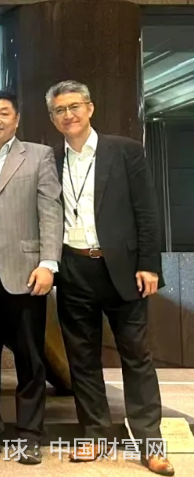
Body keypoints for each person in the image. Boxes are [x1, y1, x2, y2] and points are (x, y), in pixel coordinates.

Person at [47, 80, 173, 476]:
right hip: (74, 268)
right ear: (52, 118)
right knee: (82, 359)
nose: (68, 115)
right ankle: (94, 434)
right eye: (59, 110)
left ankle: (151, 444)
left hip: (123, 269)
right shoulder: (50, 159)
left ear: (90, 108)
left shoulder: (125, 151)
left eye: (74, 106)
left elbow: (146, 211)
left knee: (136, 357)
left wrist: (149, 264)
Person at [0, 90, 62, 464]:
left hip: (25, 271)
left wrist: (48, 263)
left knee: (30, 358)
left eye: (4, 113)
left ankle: (30, 435)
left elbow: (50, 211)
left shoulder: (38, 156)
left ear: (17, 119)